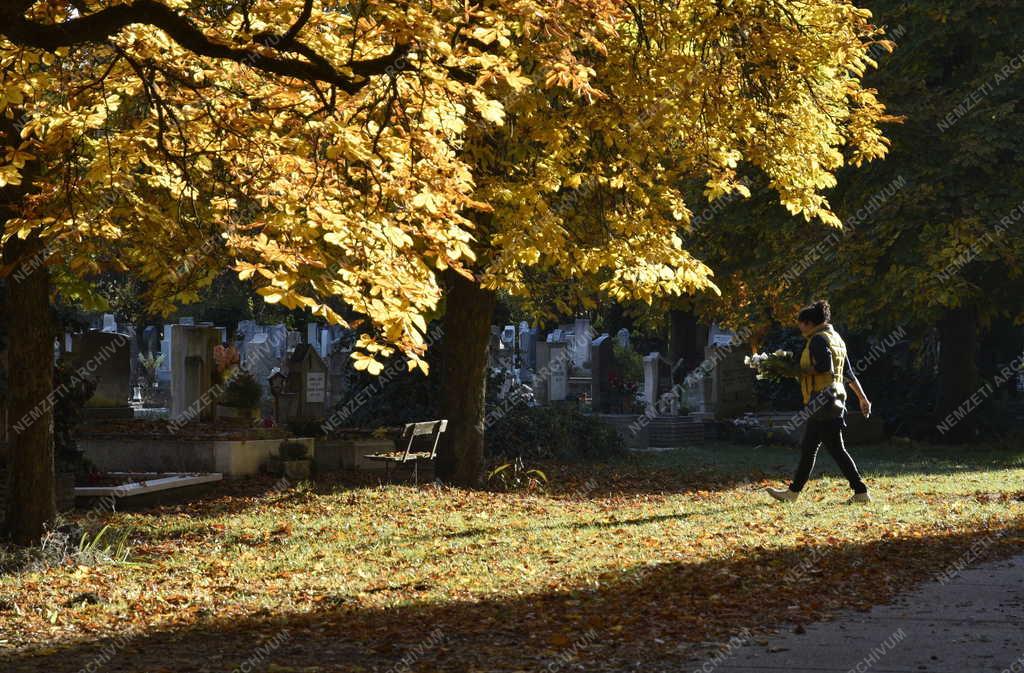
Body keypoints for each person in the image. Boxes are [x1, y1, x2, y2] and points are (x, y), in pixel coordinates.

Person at [766, 300, 873, 504]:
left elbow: (824, 367)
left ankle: (861, 491)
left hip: (823, 401)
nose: (800, 328)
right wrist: (862, 398)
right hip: (835, 398)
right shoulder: (836, 339)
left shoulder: (817, 340)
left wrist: (796, 371)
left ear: (809, 323)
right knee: (810, 448)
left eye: (801, 324)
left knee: (835, 449)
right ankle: (793, 493)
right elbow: (848, 373)